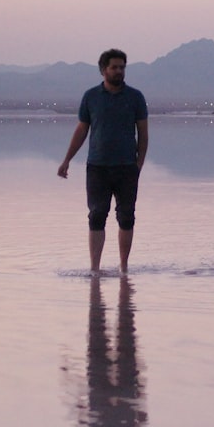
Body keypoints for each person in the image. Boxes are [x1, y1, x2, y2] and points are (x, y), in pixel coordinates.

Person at [58, 48, 148, 275]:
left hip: (127, 167)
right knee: (96, 215)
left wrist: (139, 165)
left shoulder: (135, 97)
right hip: (97, 167)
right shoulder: (91, 97)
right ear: (103, 70)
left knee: (126, 216)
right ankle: (95, 269)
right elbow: (82, 130)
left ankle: (124, 267)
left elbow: (143, 133)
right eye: (114, 67)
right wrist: (67, 160)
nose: (119, 71)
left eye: (122, 67)